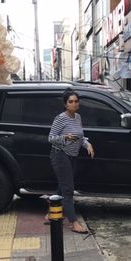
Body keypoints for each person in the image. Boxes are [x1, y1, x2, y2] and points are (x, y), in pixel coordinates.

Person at [47, 88, 94, 234]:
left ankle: (50, 214)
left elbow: (80, 137)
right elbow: (51, 138)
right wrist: (65, 138)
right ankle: (73, 222)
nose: (74, 104)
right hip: (59, 155)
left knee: (63, 187)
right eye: (70, 102)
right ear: (66, 104)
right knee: (68, 190)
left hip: (72, 156)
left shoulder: (77, 117)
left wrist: (87, 144)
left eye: (76, 101)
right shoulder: (60, 118)